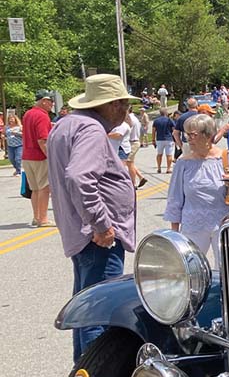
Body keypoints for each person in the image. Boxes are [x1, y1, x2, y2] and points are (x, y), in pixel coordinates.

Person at [47, 74, 138, 361]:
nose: (126, 112)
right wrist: (101, 224)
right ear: (111, 105)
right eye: (124, 104)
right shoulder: (91, 129)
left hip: (82, 232)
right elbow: (79, 176)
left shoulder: (67, 125)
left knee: (85, 307)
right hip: (97, 236)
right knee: (102, 311)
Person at [165, 113, 229, 264]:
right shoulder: (183, 163)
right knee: (192, 269)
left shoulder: (227, 157)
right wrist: (175, 232)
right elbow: (175, 198)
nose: (188, 139)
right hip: (193, 225)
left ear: (208, 135)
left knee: (228, 270)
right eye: (187, 134)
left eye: (192, 135)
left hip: (224, 225)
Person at [22, 90, 56, 227]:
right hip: (39, 156)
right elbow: (42, 140)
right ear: (43, 101)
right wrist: (50, 157)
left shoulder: (28, 114)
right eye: (50, 101)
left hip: (27, 156)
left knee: (35, 189)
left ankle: (36, 217)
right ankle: (43, 219)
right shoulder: (42, 116)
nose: (52, 104)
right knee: (44, 188)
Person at [126, 108, 146, 188]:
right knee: (130, 163)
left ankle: (133, 183)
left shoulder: (130, 119)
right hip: (135, 141)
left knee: (129, 162)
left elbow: (127, 131)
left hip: (132, 142)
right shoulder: (135, 118)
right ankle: (141, 177)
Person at [152, 107, 175, 174]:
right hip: (169, 139)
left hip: (159, 139)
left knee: (159, 154)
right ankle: (168, 169)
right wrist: (174, 139)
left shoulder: (156, 121)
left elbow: (153, 131)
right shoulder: (169, 120)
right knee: (169, 155)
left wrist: (153, 140)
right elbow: (174, 129)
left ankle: (159, 168)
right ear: (166, 113)